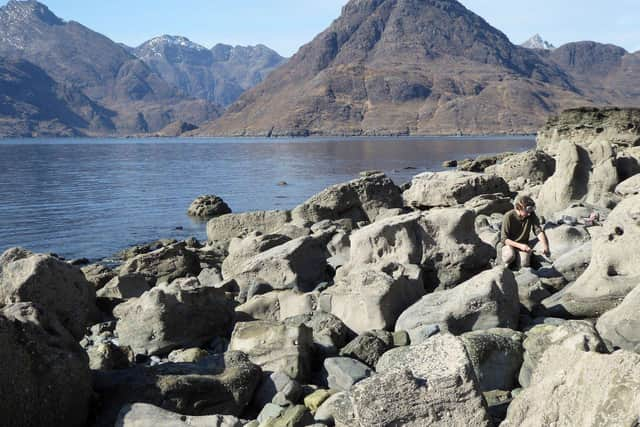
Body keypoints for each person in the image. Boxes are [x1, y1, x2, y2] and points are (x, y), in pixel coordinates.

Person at [500, 195, 550, 269]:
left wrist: (546, 247)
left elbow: (538, 231)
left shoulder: (530, 214)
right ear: (519, 208)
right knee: (509, 256)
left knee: (524, 263)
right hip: (509, 245)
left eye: (531, 210)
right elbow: (504, 239)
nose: (529, 213)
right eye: (527, 210)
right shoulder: (508, 216)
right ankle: (504, 264)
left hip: (523, 246)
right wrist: (521, 246)